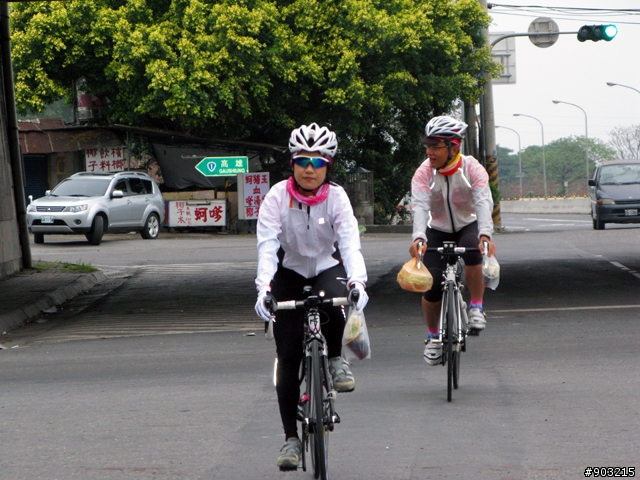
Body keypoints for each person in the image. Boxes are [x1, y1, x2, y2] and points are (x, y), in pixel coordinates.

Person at [254, 123, 369, 470]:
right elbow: (267, 247)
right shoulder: (276, 197)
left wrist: (358, 284)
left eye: (317, 163)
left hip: (324, 267)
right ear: (292, 163)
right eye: (303, 161)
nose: (309, 169)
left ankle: (335, 357)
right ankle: (291, 438)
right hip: (288, 272)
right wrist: (264, 289)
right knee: (288, 355)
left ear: (328, 167)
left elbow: (349, 244)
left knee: (337, 298)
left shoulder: (337, 197)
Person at [408, 115, 497, 365]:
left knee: (472, 252)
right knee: (433, 284)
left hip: (467, 224)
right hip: (436, 228)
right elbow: (420, 207)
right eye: (427, 146)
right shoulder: (424, 172)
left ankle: (477, 306)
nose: (429, 152)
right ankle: (433, 338)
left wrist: (485, 235)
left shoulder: (472, 168)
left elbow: (482, 201)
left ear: (454, 147)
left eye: (435, 146)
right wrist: (418, 238)